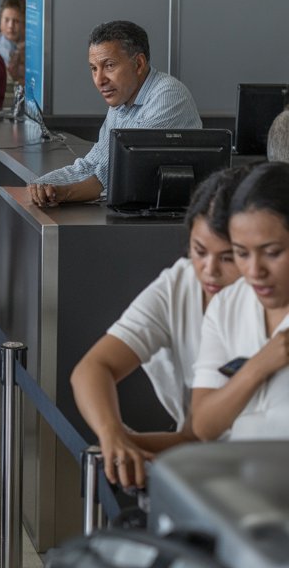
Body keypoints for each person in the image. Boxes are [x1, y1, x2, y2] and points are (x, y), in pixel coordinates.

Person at [70, 168, 244, 488]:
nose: (209, 271)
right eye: (199, 251)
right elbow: (94, 367)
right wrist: (114, 437)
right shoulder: (181, 283)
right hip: (210, 472)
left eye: (229, 258)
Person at [28, 21, 202, 207]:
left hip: (172, 222)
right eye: (94, 68)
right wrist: (39, 186)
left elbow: (116, 173)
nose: (99, 80)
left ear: (139, 64)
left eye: (109, 66)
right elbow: (90, 165)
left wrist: (60, 193)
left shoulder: (169, 95)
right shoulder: (121, 101)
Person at [192, 162, 289, 441]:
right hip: (241, 478)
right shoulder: (228, 306)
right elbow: (204, 425)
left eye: (271, 253)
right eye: (241, 254)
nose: (255, 271)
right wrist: (258, 367)